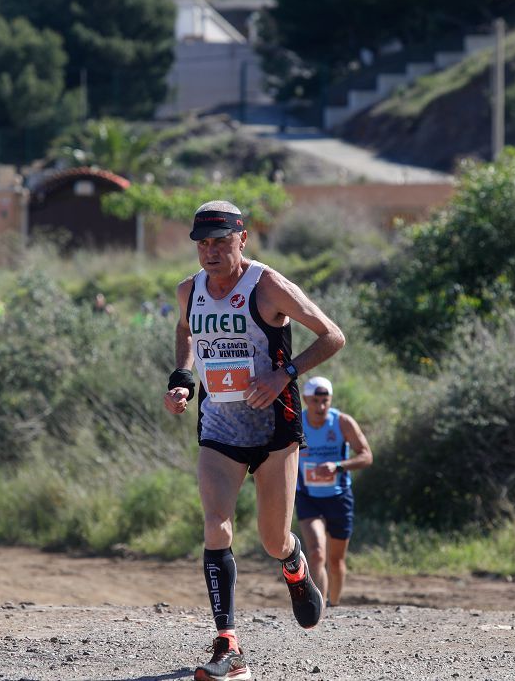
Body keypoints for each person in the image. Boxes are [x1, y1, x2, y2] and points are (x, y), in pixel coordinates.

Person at [164, 200, 345, 681]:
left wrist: (284, 373)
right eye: (203, 243)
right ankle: (228, 644)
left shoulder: (267, 287)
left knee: (271, 538)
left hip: (273, 431)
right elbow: (185, 330)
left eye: (221, 241)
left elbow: (333, 336)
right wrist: (182, 377)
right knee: (216, 527)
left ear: (242, 239)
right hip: (219, 429)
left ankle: (294, 564)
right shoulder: (189, 291)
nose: (211, 251)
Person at [296, 375, 373, 607]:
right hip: (308, 497)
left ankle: (335, 603)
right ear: (305, 399)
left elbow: (366, 456)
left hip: (339, 498)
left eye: (325, 401)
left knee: (336, 560)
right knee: (317, 553)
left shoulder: (342, 422)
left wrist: (338, 466)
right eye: (315, 401)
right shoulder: (295, 422)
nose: (320, 407)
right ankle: (319, 609)